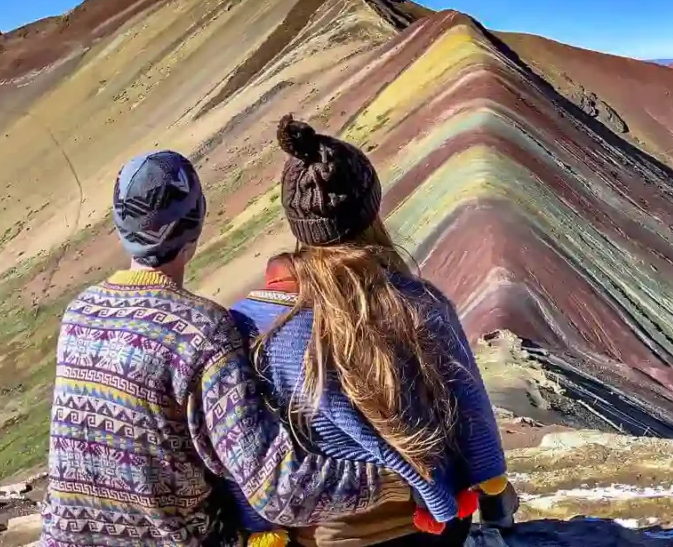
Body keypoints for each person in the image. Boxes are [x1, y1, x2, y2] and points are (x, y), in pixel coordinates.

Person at [41, 151, 411, 547]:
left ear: (119, 223)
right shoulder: (201, 332)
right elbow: (275, 489)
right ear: (197, 219)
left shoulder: (81, 311)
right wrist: (394, 482)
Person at [228, 116, 519, 547]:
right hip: (429, 528)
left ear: (295, 220)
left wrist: (257, 528)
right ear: (370, 209)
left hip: (322, 538)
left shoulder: (250, 324)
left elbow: (243, 446)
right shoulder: (418, 302)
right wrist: (494, 494)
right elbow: (470, 411)